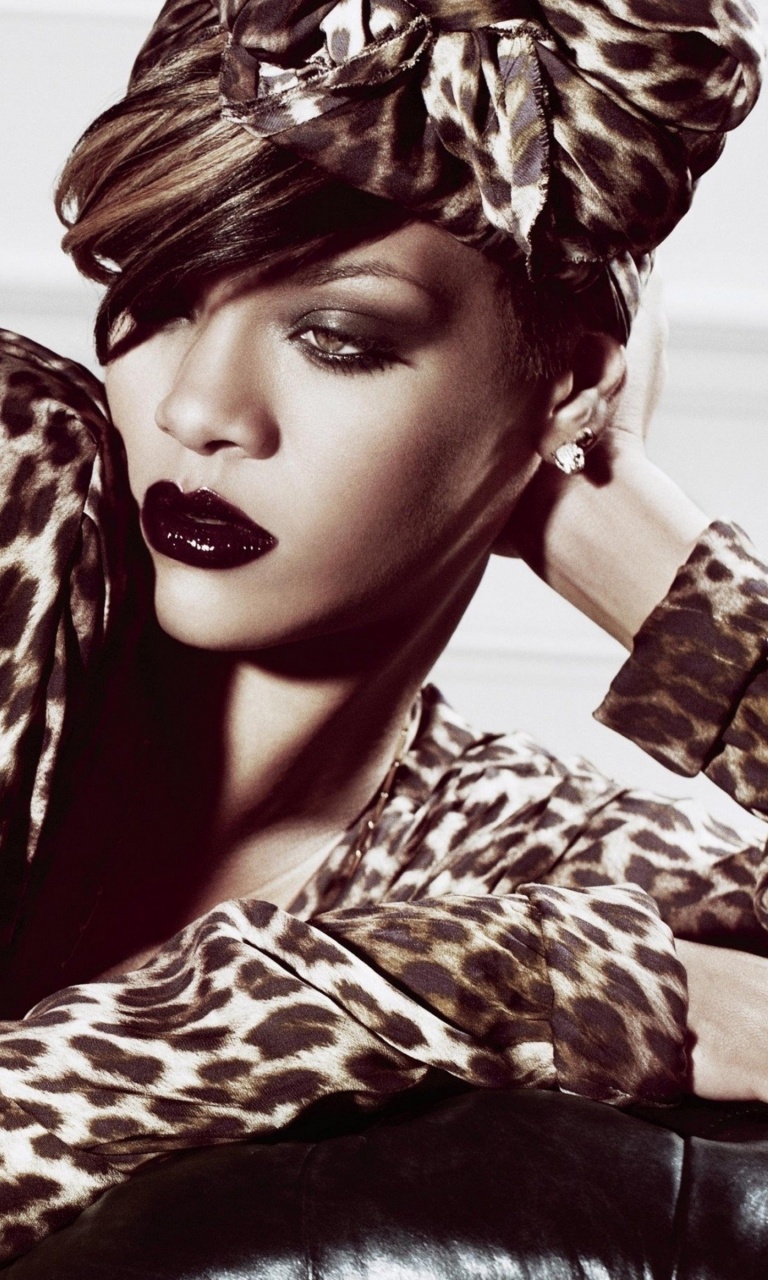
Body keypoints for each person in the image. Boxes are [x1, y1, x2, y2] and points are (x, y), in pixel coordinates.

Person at [0, 0, 766, 1262]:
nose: (199, 407)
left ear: (569, 385)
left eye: (335, 339)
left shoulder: (536, 854)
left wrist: (660, 573)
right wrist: (468, 985)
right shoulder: (21, 468)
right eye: (165, 296)